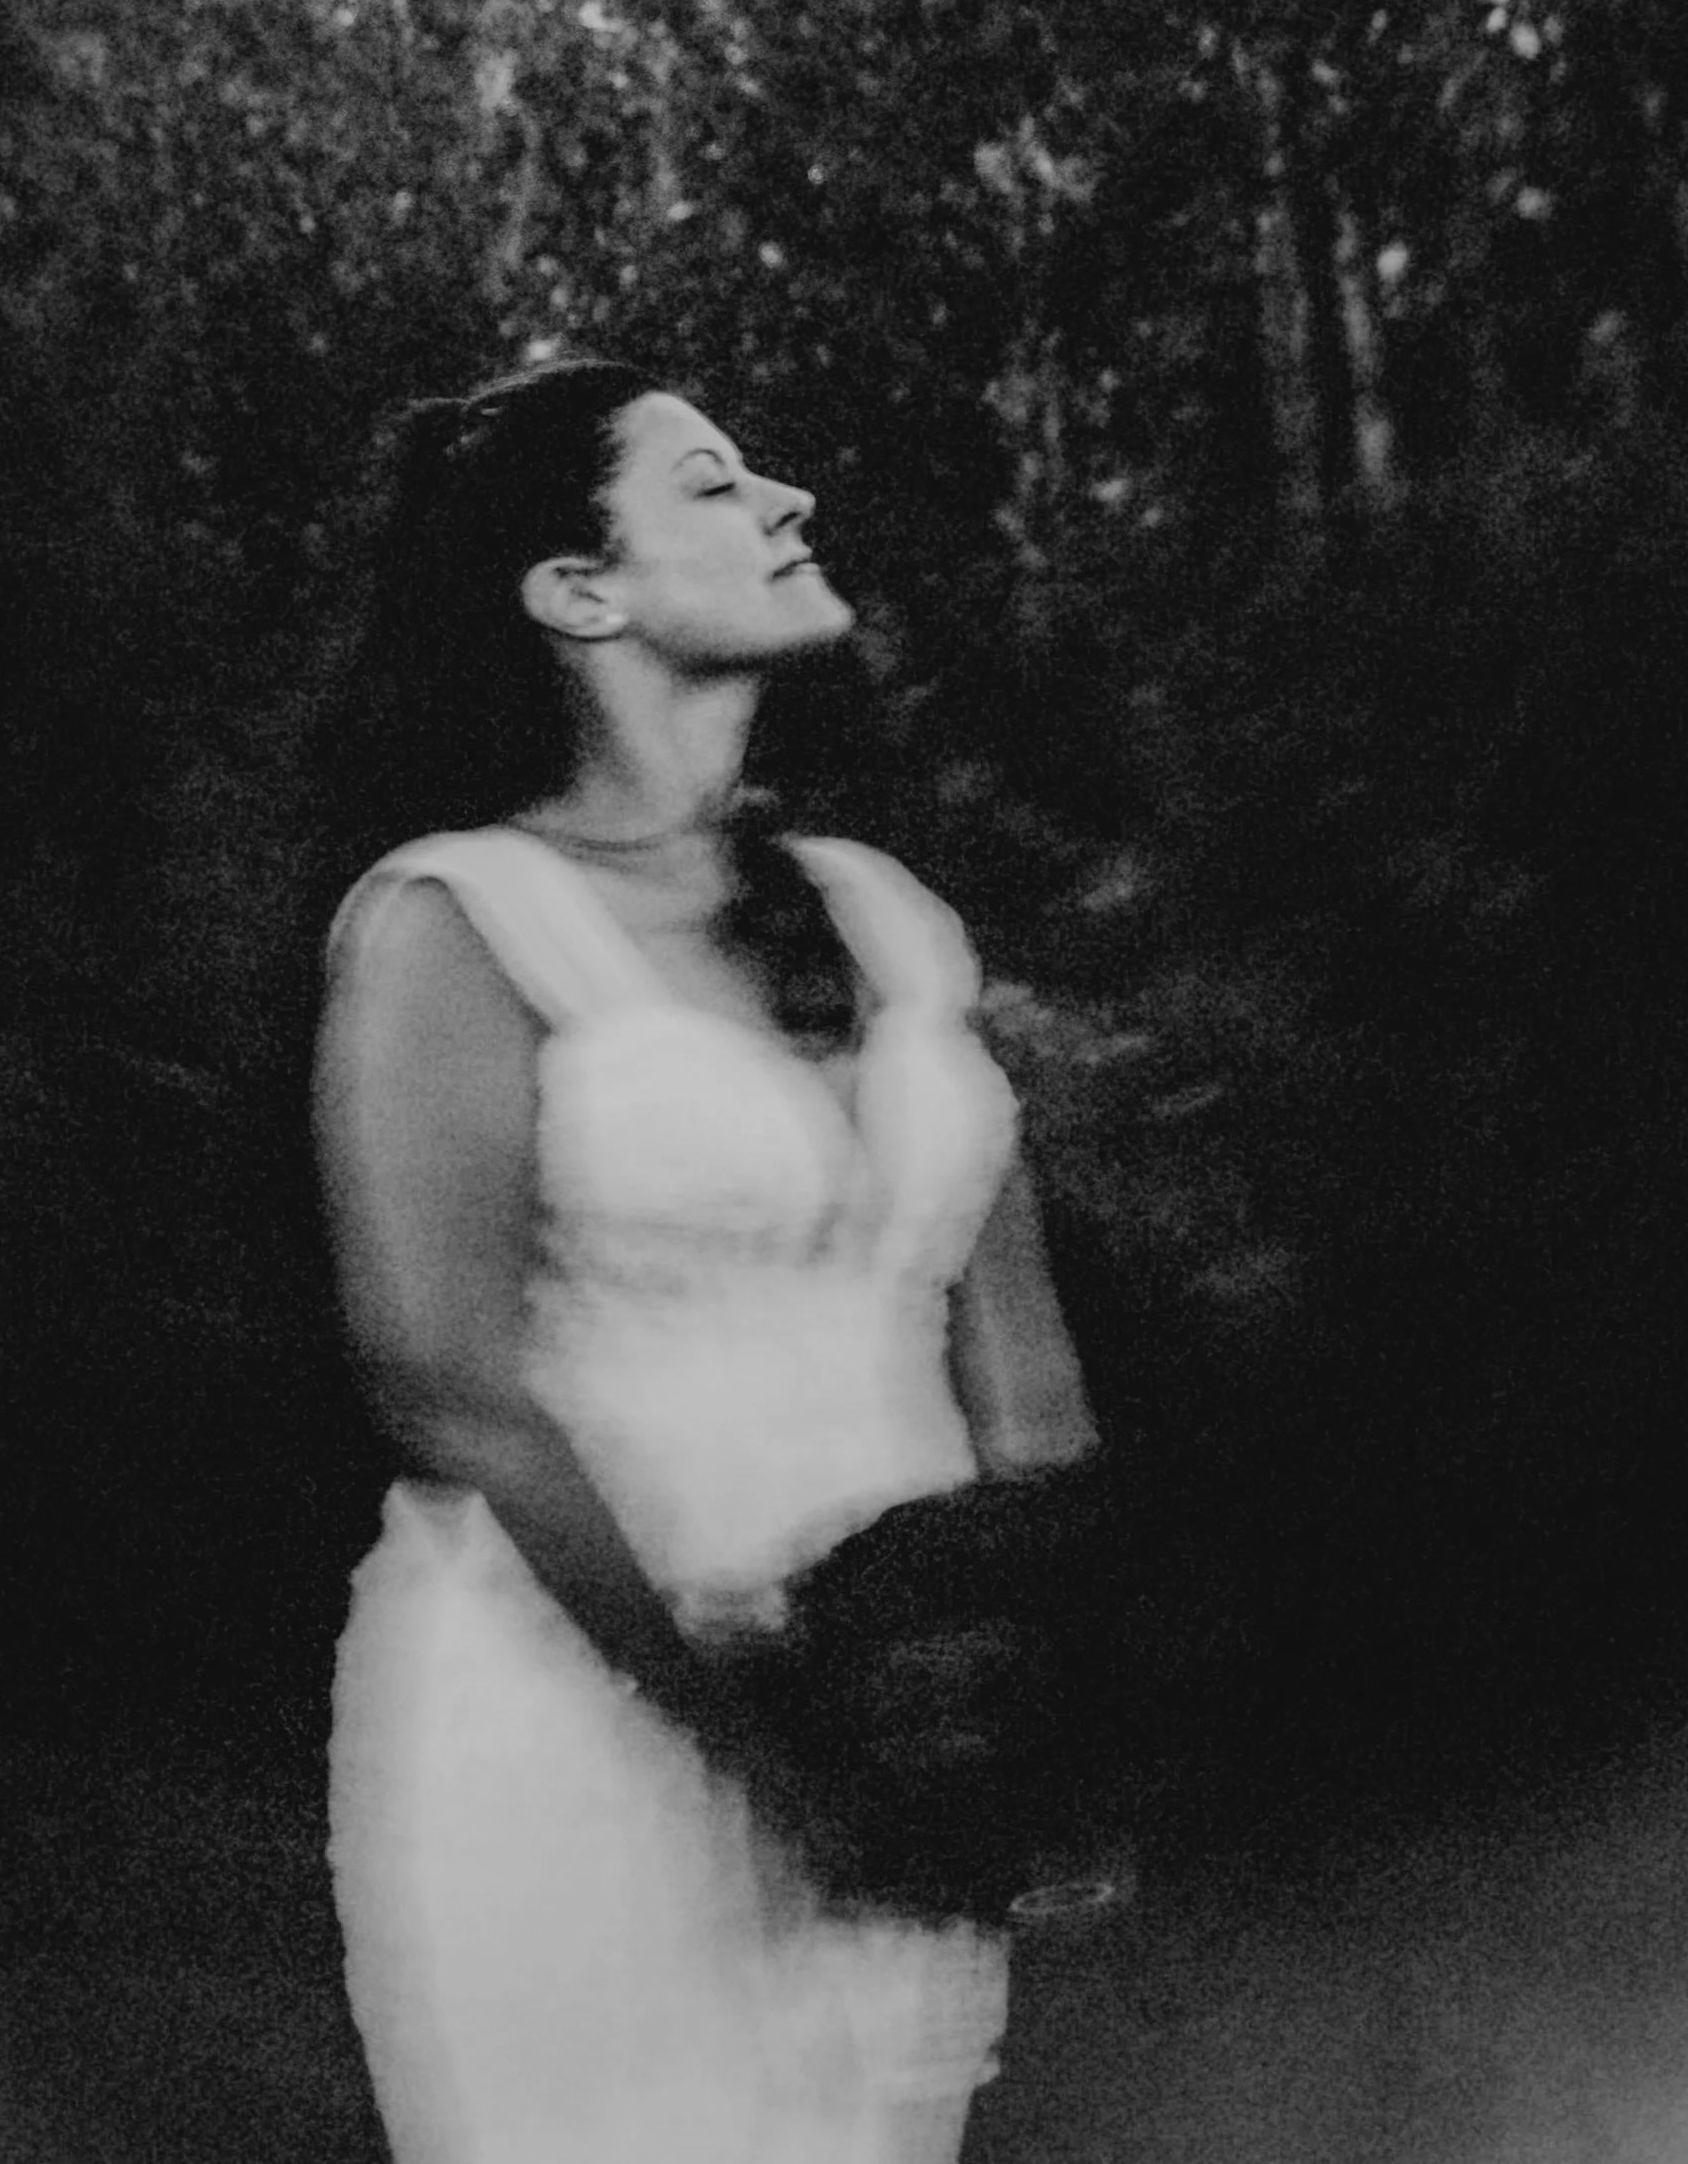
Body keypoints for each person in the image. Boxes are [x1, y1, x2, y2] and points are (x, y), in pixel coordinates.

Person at [312, 358, 1098, 2164]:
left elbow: (1026, 1365)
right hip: (582, 1733)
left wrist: (1043, 1683)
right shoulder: (456, 920)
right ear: (576, 590)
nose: (788, 505)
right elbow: (452, 1384)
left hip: (913, 1727)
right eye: (715, 483)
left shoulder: (880, 912)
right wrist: (765, 1748)